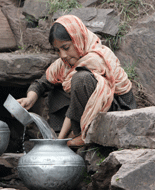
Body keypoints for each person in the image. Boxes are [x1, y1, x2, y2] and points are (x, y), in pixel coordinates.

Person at [17, 15, 136, 147]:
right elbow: (42, 83)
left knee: (80, 79)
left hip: (116, 111)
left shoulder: (98, 58)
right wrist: (29, 99)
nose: (62, 55)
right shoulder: (64, 64)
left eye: (66, 47)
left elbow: (79, 97)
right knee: (56, 86)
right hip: (82, 111)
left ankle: (80, 135)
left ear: (78, 40)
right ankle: (69, 134)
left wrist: (59, 141)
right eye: (57, 50)